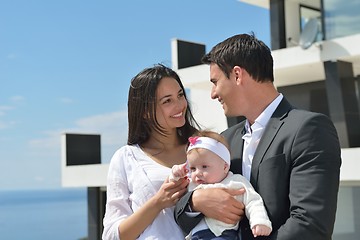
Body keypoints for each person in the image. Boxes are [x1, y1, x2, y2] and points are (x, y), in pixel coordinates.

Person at [174, 33, 342, 240]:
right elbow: (181, 212)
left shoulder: (309, 128)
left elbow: (309, 224)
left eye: (215, 82)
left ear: (237, 75)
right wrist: (196, 200)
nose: (213, 93)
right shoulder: (225, 140)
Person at [102, 64, 201, 240]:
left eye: (180, 95)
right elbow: (112, 236)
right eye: (167, 101)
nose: (180, 105)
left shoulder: (202, 145)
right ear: (145, 111)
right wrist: (158, 202)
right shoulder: (126, 158)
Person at [170, 130, 272, 240]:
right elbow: (175, 188)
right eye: (193, 168)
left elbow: (253, 201)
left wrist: (259, 221)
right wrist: (176, 174)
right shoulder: (193, 184)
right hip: (195, 236)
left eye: (204, 167)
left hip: (222, 234)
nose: (197, 173)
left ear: (225, 167)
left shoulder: (235, 182)